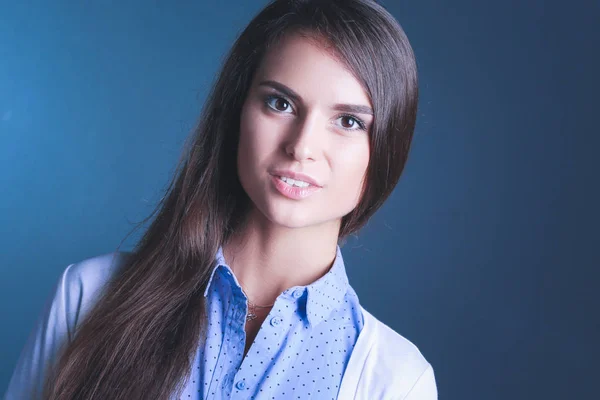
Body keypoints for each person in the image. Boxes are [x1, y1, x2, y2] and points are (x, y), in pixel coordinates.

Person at [4, 0, 437, 399]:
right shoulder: (88, 297)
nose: (302, 146)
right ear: (237, 112)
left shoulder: (396, 380)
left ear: (386, 149)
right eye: (280, 103)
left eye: (347, 121)